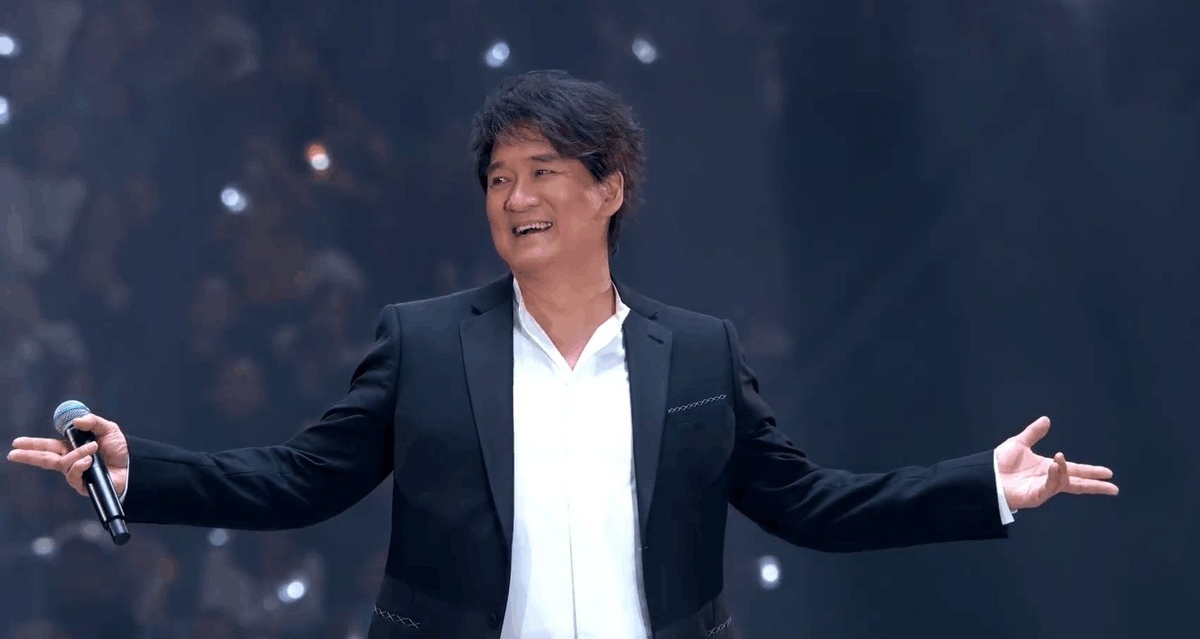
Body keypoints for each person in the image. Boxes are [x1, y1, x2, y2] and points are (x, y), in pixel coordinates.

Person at [7, 70, 1119, 639]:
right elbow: (301, 479)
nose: (516, 196)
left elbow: (812, 504)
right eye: (499, 177)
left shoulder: (698, 355)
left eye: (543, 171)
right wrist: (139, 468)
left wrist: (986, 485)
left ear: (609, 187)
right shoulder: (424, 342)